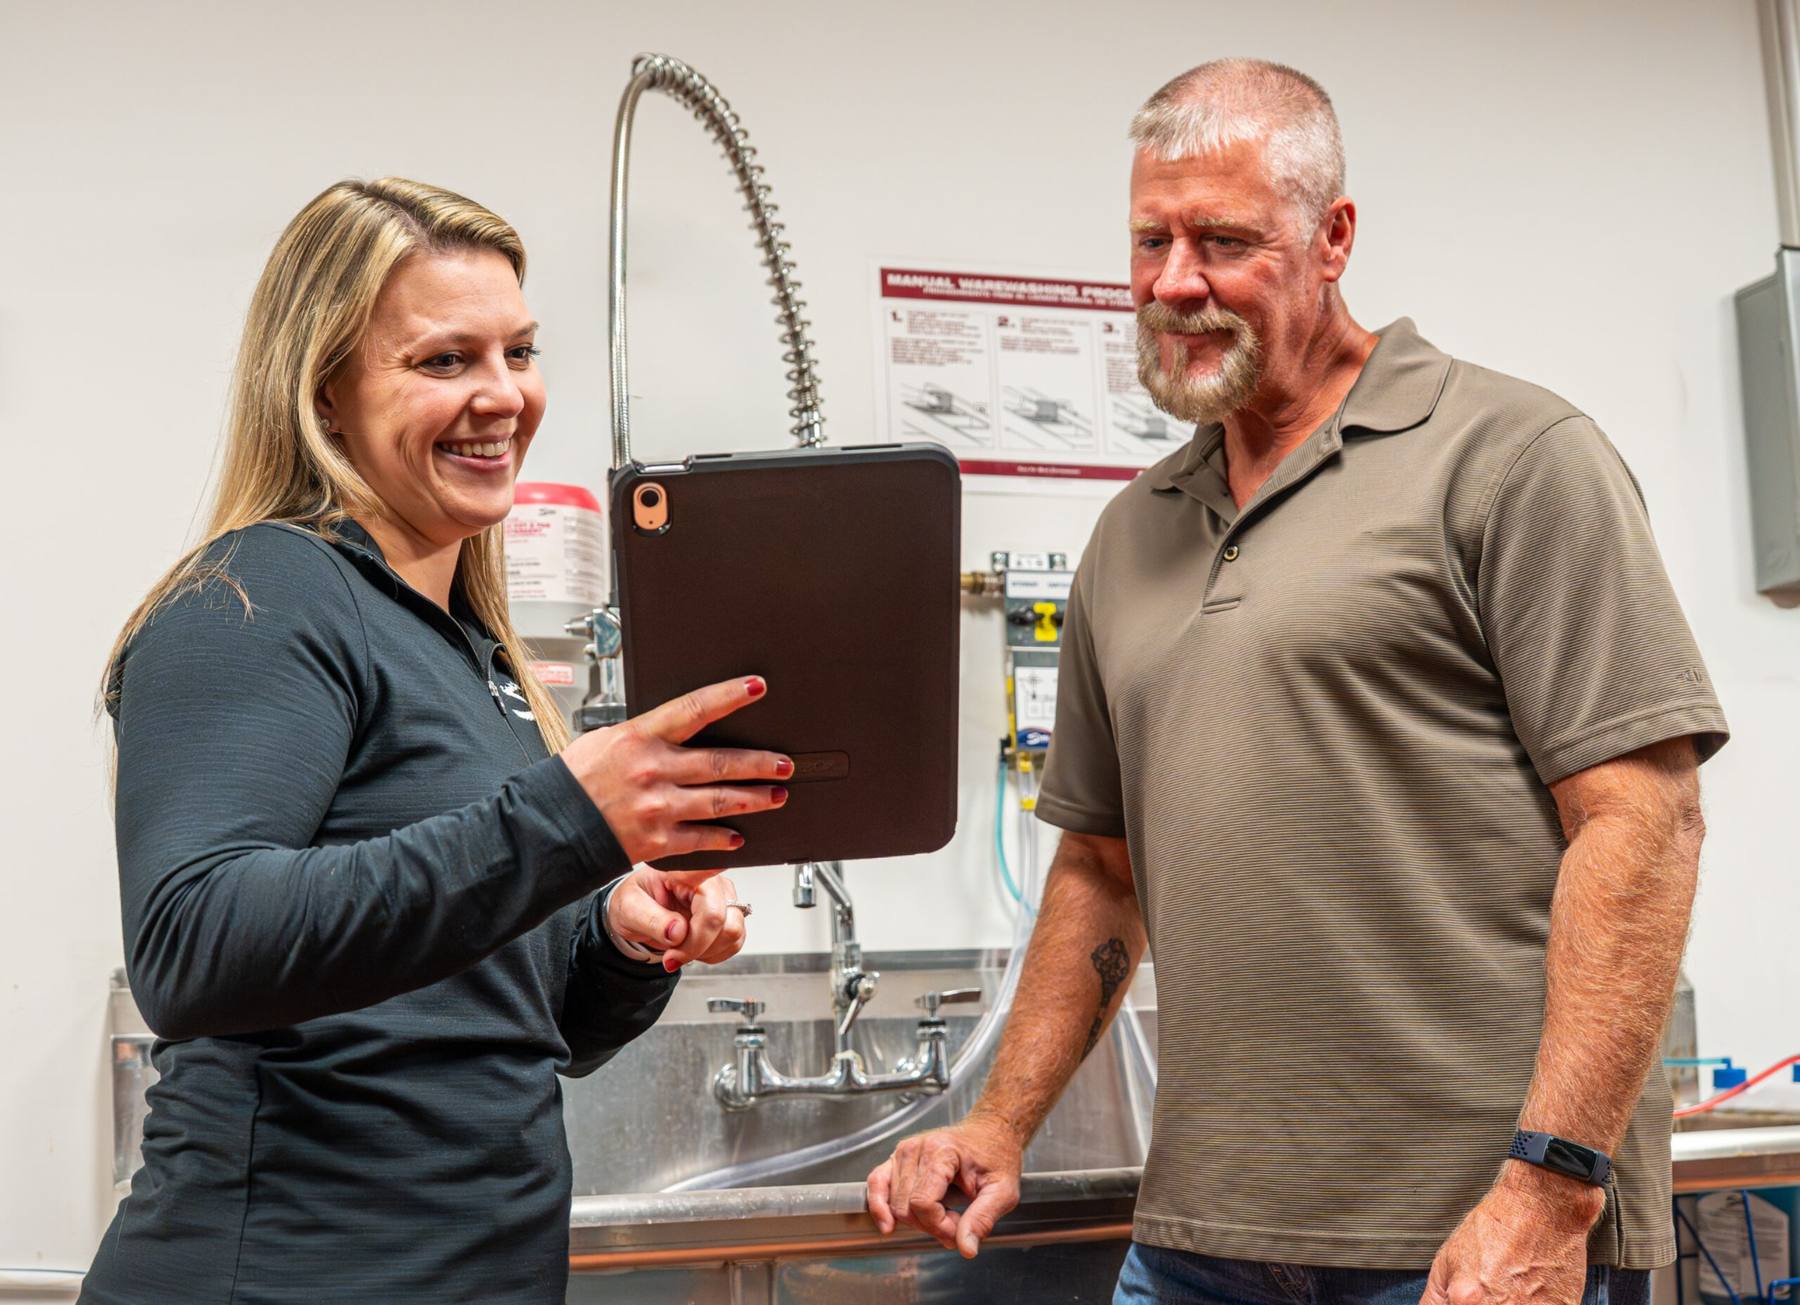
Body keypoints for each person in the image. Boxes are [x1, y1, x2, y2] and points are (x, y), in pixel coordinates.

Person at [867, 59, 1728, 1305]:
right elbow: (1102, 872)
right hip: (1202, 1240)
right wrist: (1000, 1122)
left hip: (1470, 1244)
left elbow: (1643, 822)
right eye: (1150, 239)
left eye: (1224, 240)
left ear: (1333, 239)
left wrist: (1549, 1188)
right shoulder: (1132, 533)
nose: (1175, 282)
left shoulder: (1514, 458)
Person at [82, 178, 793, 1303]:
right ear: (326, 394)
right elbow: (192, 945)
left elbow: (503, 1034)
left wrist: (614, 934)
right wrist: (566, 816)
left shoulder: (474, 654)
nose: (503, 396)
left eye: (519, 351)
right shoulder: (259, 598)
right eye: (445, 361)